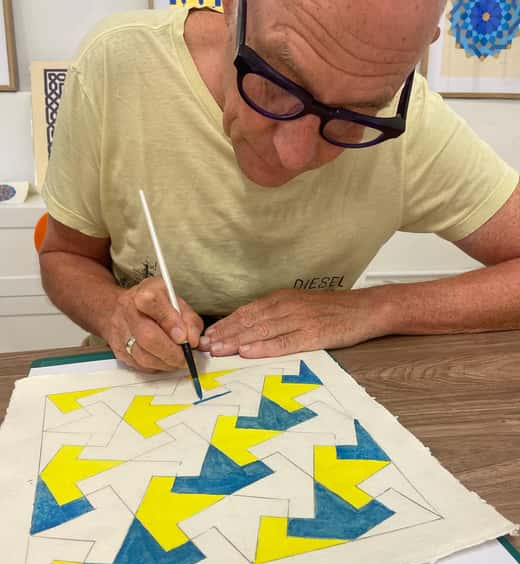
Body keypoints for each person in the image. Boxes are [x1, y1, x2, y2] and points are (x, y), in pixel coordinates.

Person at [39, 0, 520, 373]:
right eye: (275, 82)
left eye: (356, 115)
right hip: (130, 385)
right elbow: (65, 256)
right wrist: (112, 311)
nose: (294, 157)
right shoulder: (121, 65)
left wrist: (379, 308)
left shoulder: (412, 125)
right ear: (233, 8)